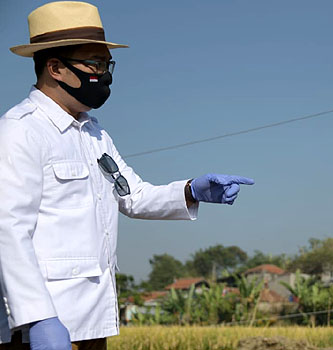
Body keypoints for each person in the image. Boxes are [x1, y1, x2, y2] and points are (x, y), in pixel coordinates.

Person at [0, 2, 254, 349]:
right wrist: (37, 317)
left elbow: (131, 194)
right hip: (42, 328)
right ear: (55, 67)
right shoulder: (20, 132)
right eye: (95, 64)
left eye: (107, 64)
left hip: (90, 321)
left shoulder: (94, 134)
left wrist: (191, 191)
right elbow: (7, 230)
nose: (104, 75)